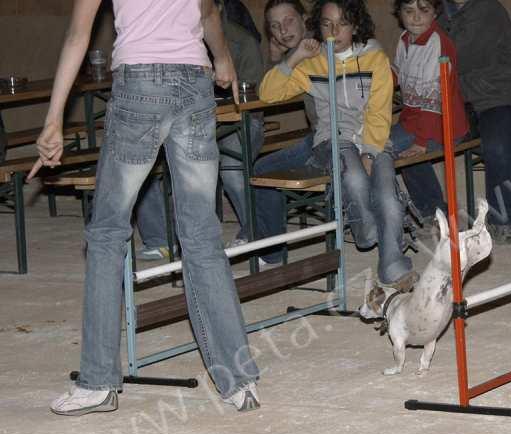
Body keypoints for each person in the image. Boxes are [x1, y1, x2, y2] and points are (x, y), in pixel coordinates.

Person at [30, 0, 261, 415]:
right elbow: (208, 13)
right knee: (202, 235)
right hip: (194, 82)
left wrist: (53, 118)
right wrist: (223, 58)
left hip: (140, 85)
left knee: (106, 234)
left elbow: (78, 35)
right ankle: (239, 381)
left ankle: (98, 381)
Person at [258, 0, 417, 290]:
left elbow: (379, 112)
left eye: (342, 23)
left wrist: (370, 152)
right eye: (326, 24)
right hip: (332, 138)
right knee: (353, 177)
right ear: (317, 27)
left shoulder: (374, 57)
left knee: (388, 195)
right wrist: (295, 57)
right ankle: (365, 228)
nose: (334, 31)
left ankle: (393, 265)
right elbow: (268, 93)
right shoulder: (312, 62)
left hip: (373, 137)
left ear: (355, 26)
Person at [134, 0, 266, 260]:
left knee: (232, 168)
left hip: (239, 121)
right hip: (189, 121)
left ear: (218, 8)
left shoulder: (242, 41)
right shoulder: (174, 39)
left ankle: (255, 233)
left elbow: (252, 95)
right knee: (141, 158)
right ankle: (161, 238)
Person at [439, 0, 511, 244]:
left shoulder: (489, 10)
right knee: (407, 140)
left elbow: (458, 57)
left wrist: (423, 46)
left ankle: (502, 221)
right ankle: (431, 212)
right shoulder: (433, 12)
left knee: (497, 146)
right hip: (460, 105)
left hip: (500, 99)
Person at [248, 0, 317, 267]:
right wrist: (276, 58)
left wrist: (285, 59)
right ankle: (266, 244)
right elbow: (269, 89)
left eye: (288, 21)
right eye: (275, 26)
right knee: (263, 167)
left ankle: (272, 253)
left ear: (304, 19)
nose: (283, 30)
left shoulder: (312, 49)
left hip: (326, 139)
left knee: (261, 170)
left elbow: (267, 93)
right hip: (320, 136)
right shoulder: (299, 51)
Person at [389, 0, 468, 226]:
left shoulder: (438, 44)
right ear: (399, 14)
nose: (416, 17)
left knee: (384, 150)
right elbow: (397, 72)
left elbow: (434, 97)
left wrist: (421, 143)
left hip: (442, 124)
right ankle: (431, 211)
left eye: (423, 11)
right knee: (377, 144)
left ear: (435, 13)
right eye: (409, 11)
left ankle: (422, 211)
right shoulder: (405, 39)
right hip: (413, 122)